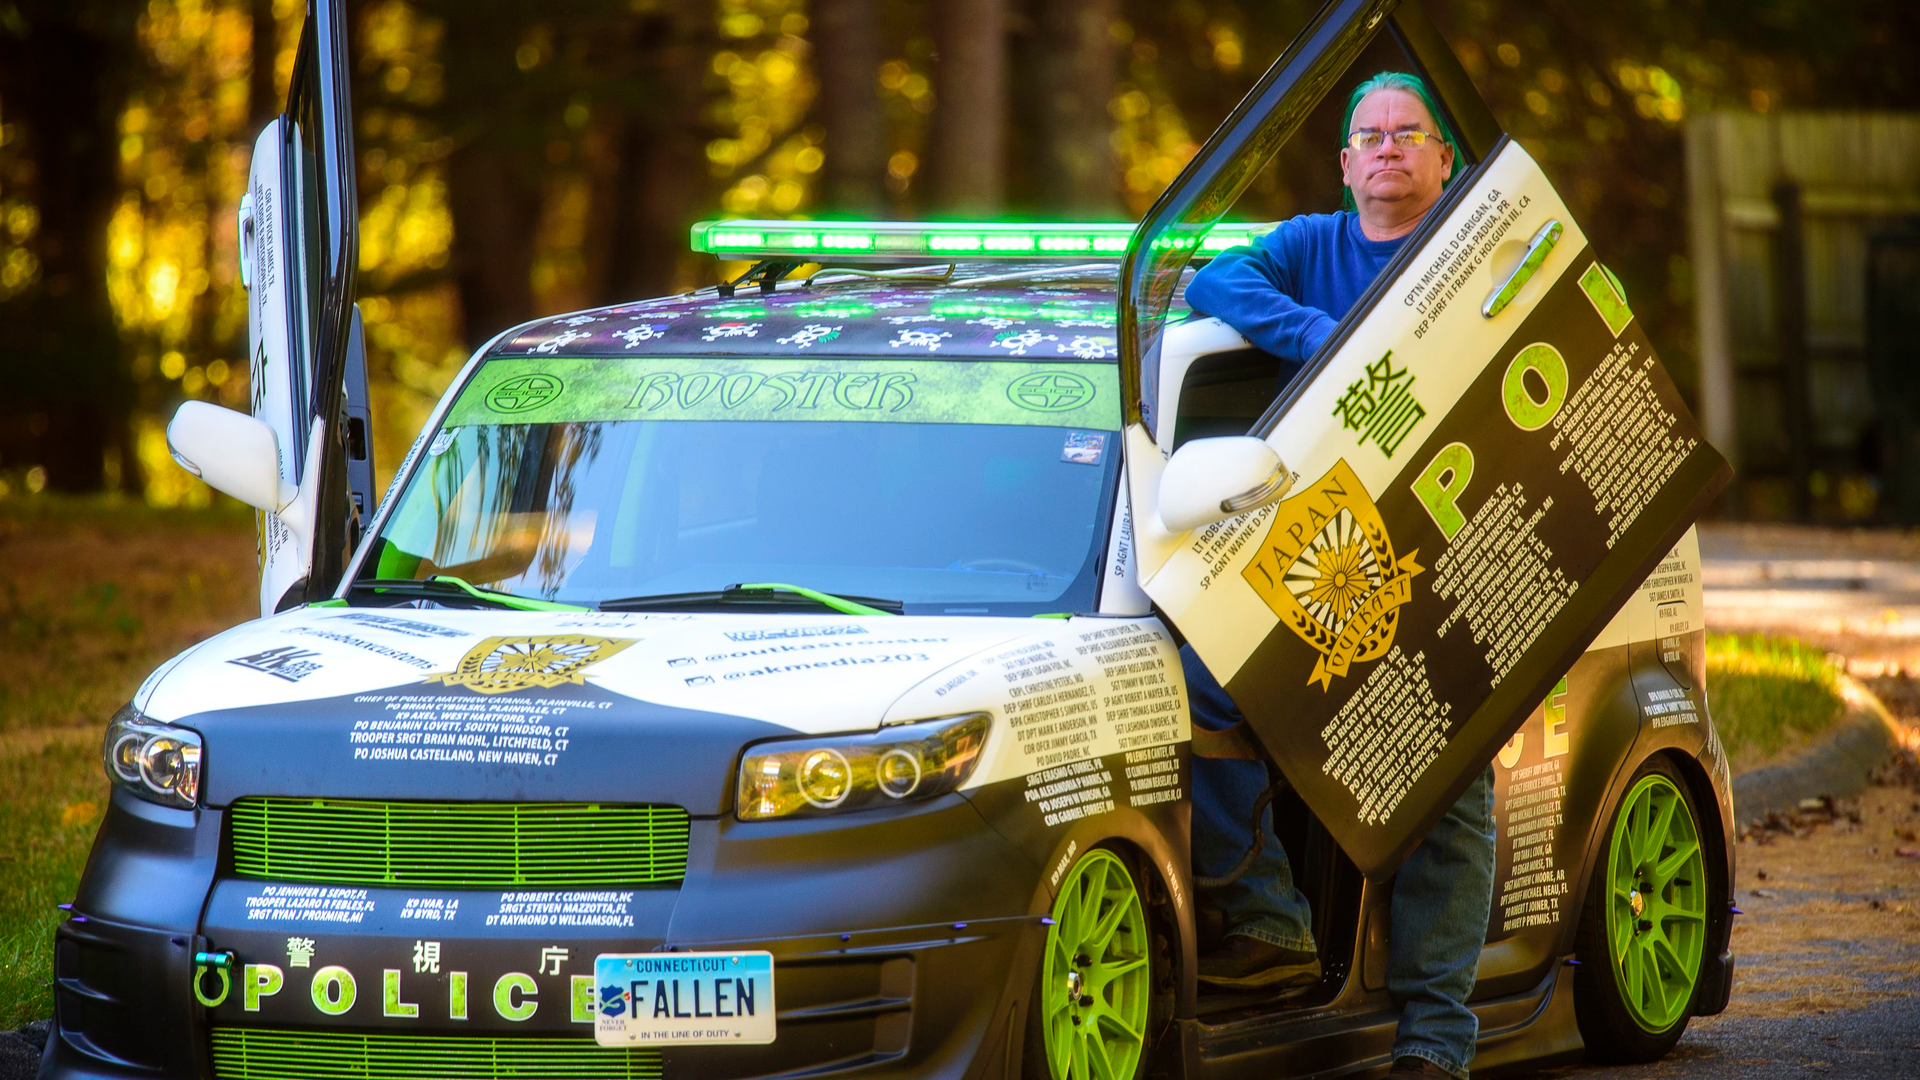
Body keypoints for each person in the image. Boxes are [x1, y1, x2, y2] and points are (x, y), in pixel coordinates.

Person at [1180, 71, 1498, 1080]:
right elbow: (1211, 282)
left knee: (1446, 788)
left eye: (1411, 133)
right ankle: (1268, 916)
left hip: (1449, 555)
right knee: (1201, 686)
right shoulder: (1314, 245)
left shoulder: (1475, 251)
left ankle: (1436, 1042)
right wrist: (1321, 339)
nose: (1391, 147)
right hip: (1324, 561)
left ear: (1445, 159)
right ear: (1349, 162)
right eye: (1373, 134)